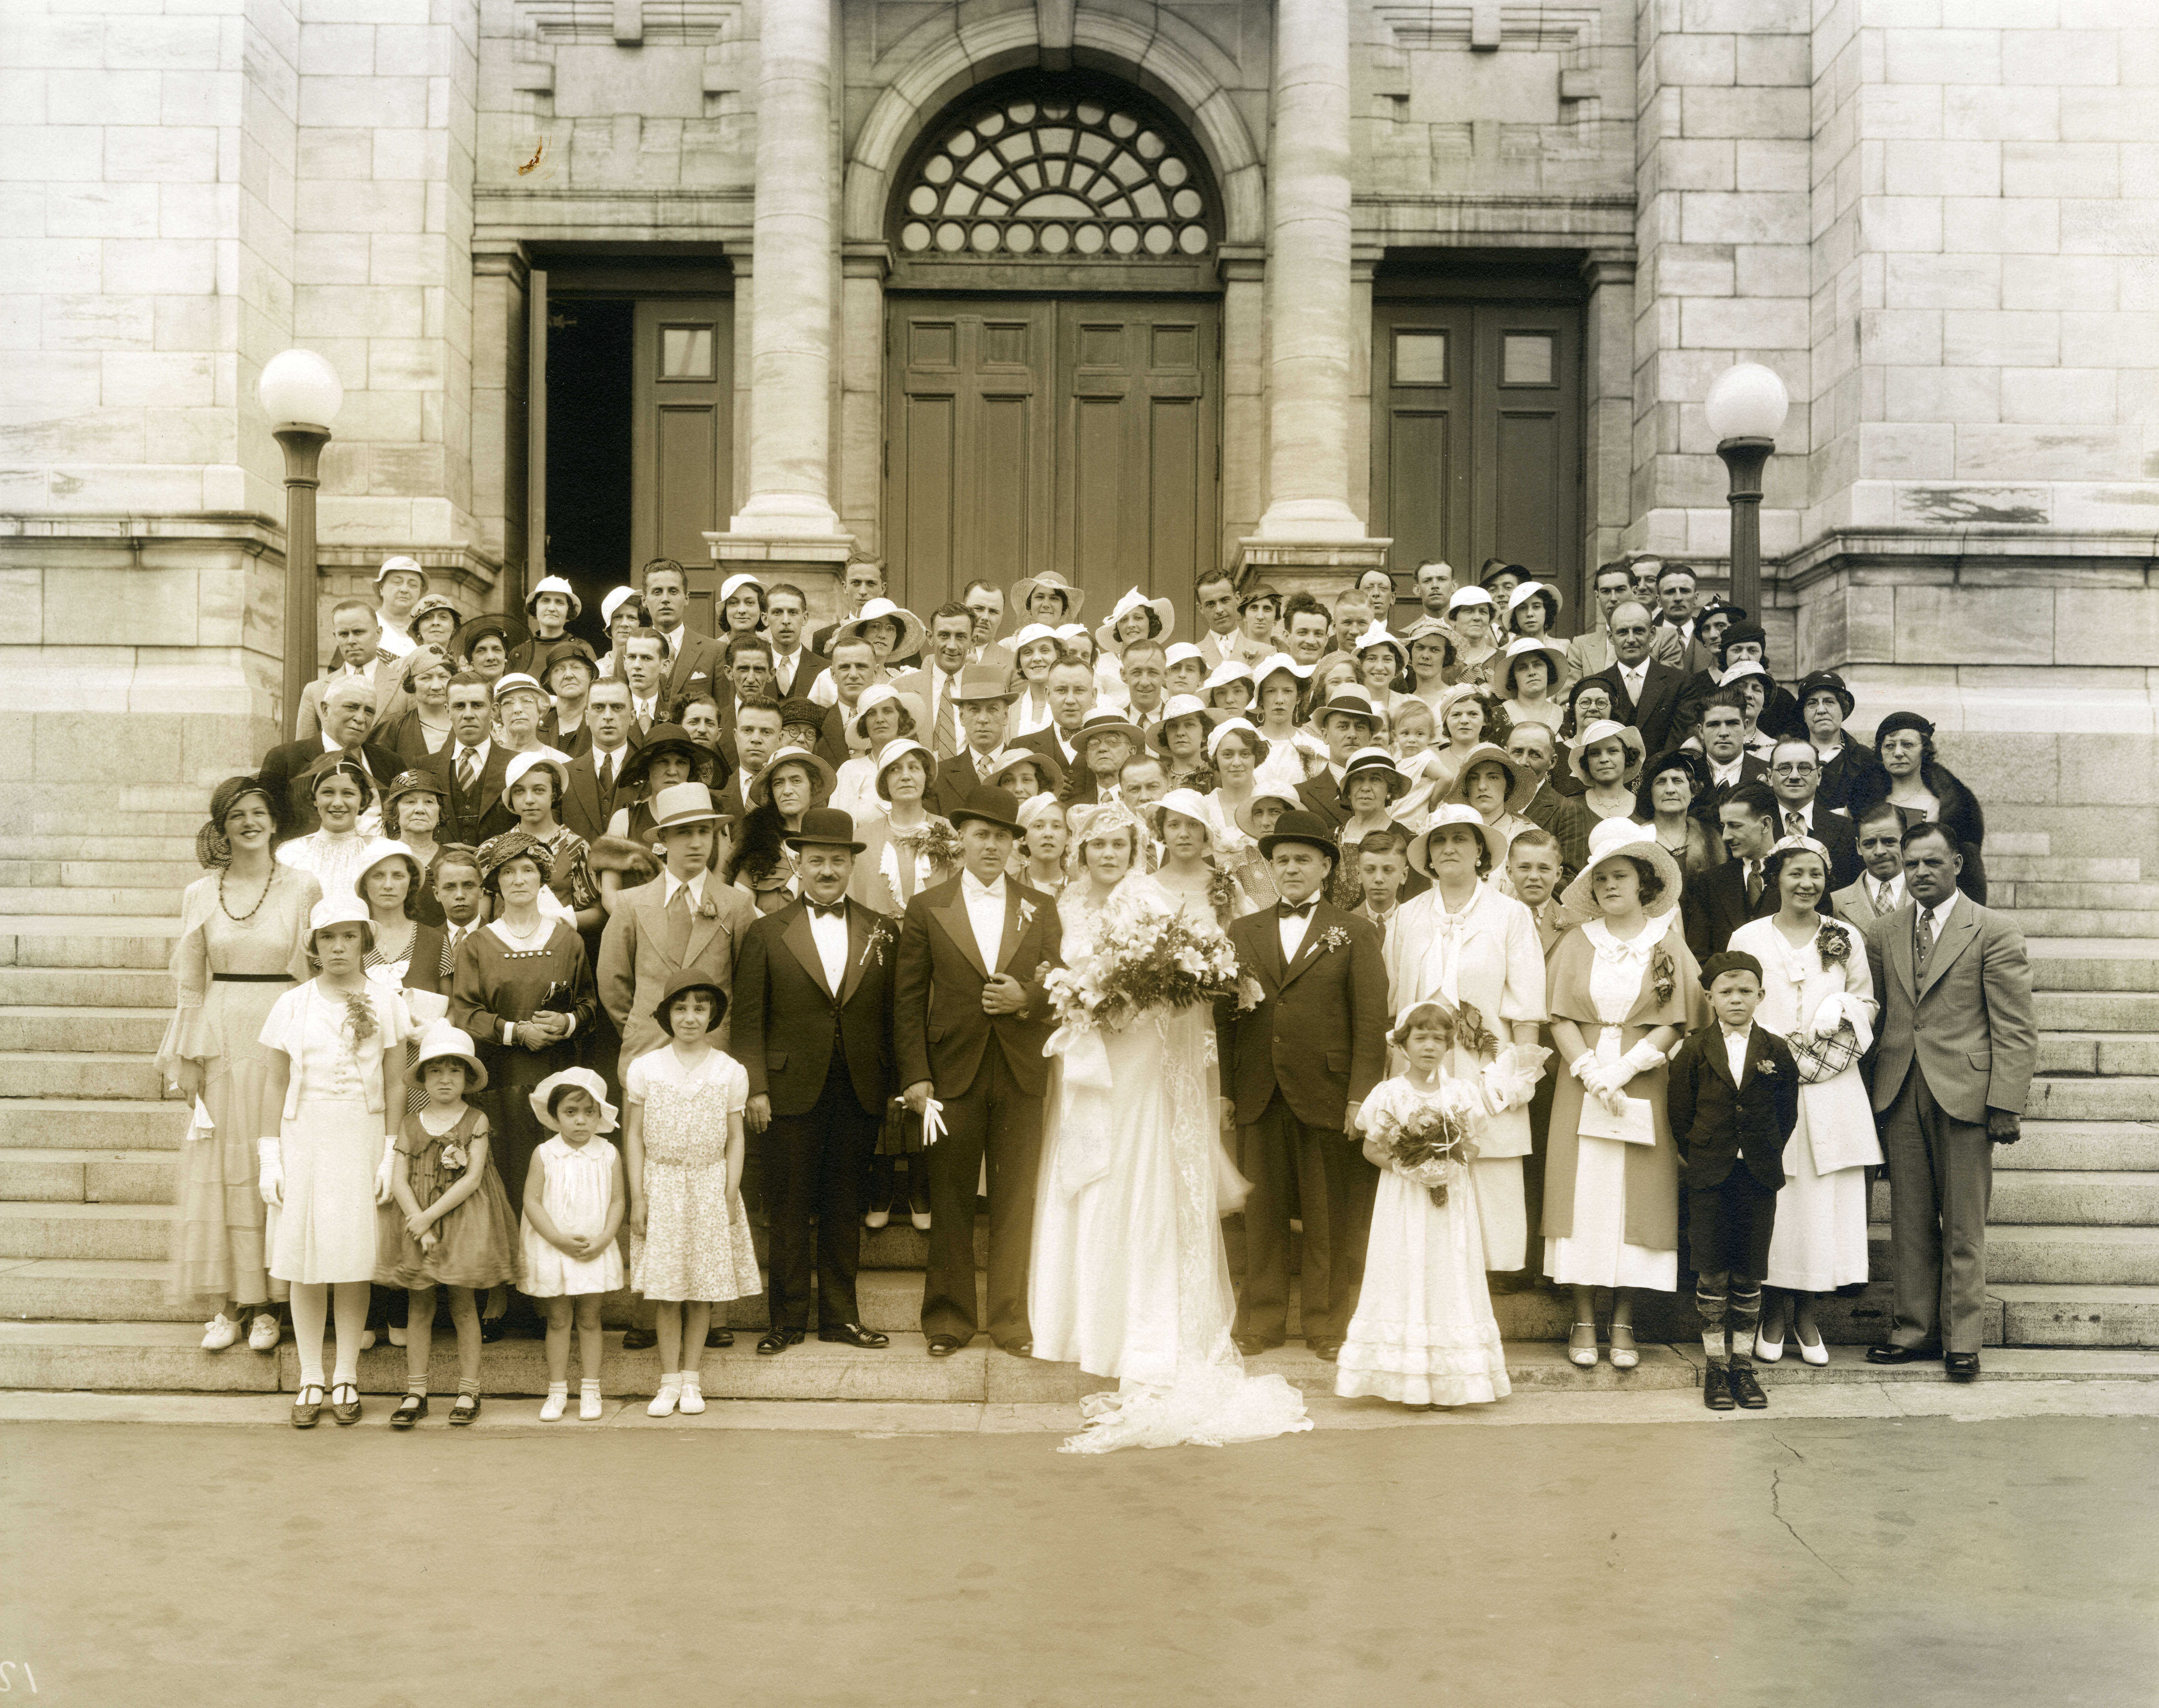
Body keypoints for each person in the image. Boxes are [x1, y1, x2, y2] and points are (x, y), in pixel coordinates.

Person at [1026, 802, 1311, 1452]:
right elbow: (1054, 978)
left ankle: (1144, 1330)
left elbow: (1182, 986)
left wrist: (1131, 998)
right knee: (1086, 1182)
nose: (1108, 854)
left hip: (1142, 1063)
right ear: (1081, 850)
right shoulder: (1061, 905)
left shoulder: (1152, 901)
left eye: (1120, 844)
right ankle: (1083, 1326)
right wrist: (1077, 998)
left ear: (1136, 849)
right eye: (1097, 843)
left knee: (1137, 1180)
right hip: (1085, 1067)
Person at [894, 785, 1065, 1358]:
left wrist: (1028, 999)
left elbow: (1061, 982)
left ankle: (1012, 1320)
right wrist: (916, 1073)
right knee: (951, 1198)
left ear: (1016, 845)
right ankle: (948, 1318)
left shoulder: (1040, 906)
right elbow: (908, 996)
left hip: (1020, 1071)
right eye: (982, 834)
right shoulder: (927, 906)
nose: (991, 845)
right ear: (961, 840)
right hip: (949, 1075)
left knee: (1016, 1200)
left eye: (1002, 836)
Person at [1862, 823, 2036, 1381]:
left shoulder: (1992, 929)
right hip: (1900, 1086)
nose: (1920, 873)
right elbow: (1885, 1013)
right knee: (1909, 1221)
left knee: (1963, 1224)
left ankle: (1962, 1340)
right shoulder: (1886, 929)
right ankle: (1913, 1329)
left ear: (1958, 864)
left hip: (1966, 1093)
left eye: (1932, 863)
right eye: (1911, 864)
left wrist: (2004, 1101)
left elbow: (2015, 1026)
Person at [1217, 811, 1388, 1359]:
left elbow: (1369, 1021)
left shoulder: (1355, 931)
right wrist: (1226, 1089)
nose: (1291, 869)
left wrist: (1360, 1095)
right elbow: (1225, 1018)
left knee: (1327, 1217)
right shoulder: (1244, 930)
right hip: (1259, 1090)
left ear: (1327, 866)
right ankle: (1261, 1322)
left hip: (1327, 1090)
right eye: (1282, 860)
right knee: (1262, 1215)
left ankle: (1326, 1324)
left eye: (1303, 860)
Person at [161, 777, 320, 1353]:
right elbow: (189, 984)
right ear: (222, 828)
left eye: (258, 813)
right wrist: (188, 1058)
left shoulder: (304, 886)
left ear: (275, 822)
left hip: (282, 1027)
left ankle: (272, 1304)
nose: (249, 822)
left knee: (272, 1161)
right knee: (224, 1166)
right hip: (222, 1032)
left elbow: (315, 967)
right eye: (236, 816)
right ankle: (230, 1301)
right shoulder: (201, 893)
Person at [733, 812, 899, 1355]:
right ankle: (786, 1320)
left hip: (857, 1085)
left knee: (843, 1204)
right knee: (788, 1207)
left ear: (853, 865)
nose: (827, 870)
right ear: (797, 865)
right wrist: (755, 1087)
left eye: (837, 861)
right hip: (787, 1091)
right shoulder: (766, 930)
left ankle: (840, 1317)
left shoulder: (882, 929)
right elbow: (749, 1017)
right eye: (816, 861)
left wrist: (891, 1084)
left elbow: (891, 1013)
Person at [1542, 819, 1704, 1371]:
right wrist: (1591, 1070)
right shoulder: (1575, 941)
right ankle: (1584, 1316)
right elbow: (1560, 1015)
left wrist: (1628, 1066)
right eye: (1602, 878)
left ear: (1644, 884)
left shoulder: (1666, 942)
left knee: (1639, 1195)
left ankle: (1624, 1319)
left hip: (1644, 1079)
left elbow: (1679, 1018)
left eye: (1622, 876)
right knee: (1584, 1195)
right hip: (1581, 1080)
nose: (1611, 885)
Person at [257, 896, 416, 1428]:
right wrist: (269, 1156)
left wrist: (390, 1150)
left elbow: (397, 1079)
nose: (340, 946)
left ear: (364, 942)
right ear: (315, 945)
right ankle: (309, 1374)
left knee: (350, 1258)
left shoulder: (386, 1000)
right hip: (304, 1135)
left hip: (362, 1134)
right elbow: (275, 1081)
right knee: (305, 1260)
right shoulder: (294, 1003)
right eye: (329, 937)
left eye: (350, 936)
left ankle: (346, 1372)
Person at [1728, 839, 1882, 1363]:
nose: (1806, 884)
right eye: (1795, 873)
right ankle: (1771, 1312)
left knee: (1821, 1204)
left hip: (1831, 1083)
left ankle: (1808, 1315)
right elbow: (1733, 996)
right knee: (1778, 1199)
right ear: (1776, 876)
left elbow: (1867, 999)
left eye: (1816, 874)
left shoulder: (1844, 937)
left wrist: (1839, 1006)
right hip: (1770, 1081)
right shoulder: (1749, 936)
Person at [1387, 805, 1548, 1278]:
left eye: (1461, 839)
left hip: (1487, 1066)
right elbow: (1394, 999)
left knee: (1488, 1168)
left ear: (1480, 850)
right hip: (1420, 1068)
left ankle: (1483, 1285)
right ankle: (1428, 1279)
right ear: (1429, 857)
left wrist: (1517, 1076)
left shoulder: (1510, 915)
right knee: (1422, 1164)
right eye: (1439, 841)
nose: (1449, 848)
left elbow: (1525, 1004)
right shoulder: (1407, 916)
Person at [1334, 1001, 1513, 1411]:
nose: (1429, 1047)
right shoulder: (1389, 1093)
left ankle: (1453, 1382)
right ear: (1402, 1044)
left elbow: (1472, 1145)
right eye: (1420, 1038)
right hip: (1404, 1201)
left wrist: (1447, 1164)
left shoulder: (1461, 1094)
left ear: (1449, 1045)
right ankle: (1408, 1380)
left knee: (1446, 1272)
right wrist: (1408, 1165)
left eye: (1438, 1039)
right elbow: (1370, 1148)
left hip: (1450, 1201)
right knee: (1407, 1268)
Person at [623, 974, 761, 1417]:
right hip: (661, 1184)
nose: (690, 1017)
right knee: (666, 1290)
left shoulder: (729, 1071)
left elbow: (736, 1138)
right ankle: (666, 1382)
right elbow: (634, 1136)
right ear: (667, 1015)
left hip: (708, 1184)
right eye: (680, 1008)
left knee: (701, 1288)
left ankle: (691, 1379)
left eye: (700, 1009)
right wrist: (638, 1197)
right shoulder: (646, 1068)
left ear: (712, 1017)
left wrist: (728, 1192)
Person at [1666, 950, 1798, 1411]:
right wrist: (1703, 1155)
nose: (1736, 999)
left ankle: (1743, 1367)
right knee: (1712, 1270)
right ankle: (1715, 1368)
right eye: (1726, 992)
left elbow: (1786, 1114)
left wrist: (1760, 1153)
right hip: (1709, 1176)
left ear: (1761, 995)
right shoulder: (1694, 1049)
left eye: (1746, 991)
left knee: (1748, 1271)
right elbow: (1678, 1115)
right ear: (1709, 997)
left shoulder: (1775, 1050)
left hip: (1756, 1175)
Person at [450, 831, 598, 1233]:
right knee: (510, 1180)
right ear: (495, 883)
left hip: (557, 1082)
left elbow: (589, 1006)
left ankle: (557, 1277)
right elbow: (463, 1013)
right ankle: (512, 1289)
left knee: (558, 1180)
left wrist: (566, 1023)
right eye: (508, 872)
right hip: (499, 1086)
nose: (519, 880)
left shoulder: (568, 940)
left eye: (528, 871)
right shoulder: (478, 945)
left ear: (541, 879)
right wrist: (517, 1032)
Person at [377, 1021, 519, 1427]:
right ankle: (416, 1391)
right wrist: (416, 1222)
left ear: (468, 1078)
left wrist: (428, 1218)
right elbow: (400, 1178)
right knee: (419, 1305)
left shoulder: (475, 1120)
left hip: (461, 1222)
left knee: (461, 1305)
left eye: (454, 1071)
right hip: (418, 1223)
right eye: (435, 1071)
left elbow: (473, 1179)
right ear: (422, 1077)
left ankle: (468, 1389)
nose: (444, 1079)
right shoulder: (409, 1123)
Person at [597, 781, 755, 1075]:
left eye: (704, 831)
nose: (696, 843)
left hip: (715, 1058)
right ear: (664, 838)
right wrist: (640, 1026)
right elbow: (612, 983)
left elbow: (747, 988)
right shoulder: (631, 904)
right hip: (646, 1054)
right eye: (685, 832)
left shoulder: (736, 905)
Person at [520, 1068, 625, 1421]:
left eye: (589, 1112)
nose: (581, 1121)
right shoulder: (545, 1153)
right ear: (555, 1116)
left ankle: (591, 1390)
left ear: (600, 1114)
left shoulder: (608, 1153)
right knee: (558, 1319)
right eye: (571, 1112)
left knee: (591, 1319)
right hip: (556, 1247)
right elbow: (532, 1202)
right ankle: (557, 1390)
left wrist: (605, 1238)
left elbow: (617, 1202)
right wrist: (556, 1239)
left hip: (593, 1246)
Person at [1848, 711, 1990, 903]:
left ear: (1924, 750)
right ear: (1880, 753)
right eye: (1889, 746)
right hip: (1876, 899)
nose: (1898, 753)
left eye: (1907, 745)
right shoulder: (1863, 802)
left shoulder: (1946, 805)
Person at [258, 677, 404, 837]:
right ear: (325, 710)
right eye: (352, 707)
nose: (361, 718)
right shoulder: (284, 760)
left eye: (369, 711)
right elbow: (268, 829)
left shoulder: (391, 763)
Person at [1684, 781, 1786, 961]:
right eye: (1724, 826)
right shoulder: (1712, 881)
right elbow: (1698, 956)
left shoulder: (1800, 877)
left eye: (1735, 826)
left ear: (1765, 825)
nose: (1725, 836)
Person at [426, 672, 516, 849]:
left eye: (477, 705)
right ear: (448, 711)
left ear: (494, 710)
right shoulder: (425, 767)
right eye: (459, 706)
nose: (468, 714)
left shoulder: (518, 764)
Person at [1589, 601, 1689, 755]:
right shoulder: (1596, 686)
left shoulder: (1681, 683)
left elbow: (1679, 743)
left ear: (1653, 634)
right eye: (1622, 632)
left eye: (1639, 631)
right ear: (1611, 637)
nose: (1631, 640)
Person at [275, 757, 379, 902]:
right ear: (315, 800)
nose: (337, 803)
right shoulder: (292, 854)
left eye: (348, 793)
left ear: (363, 800)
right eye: (328, 793)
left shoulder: (381, 851)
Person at [1553, 718, 1645, 878]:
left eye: (1613, 751)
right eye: (1595, 753)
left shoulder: (1644, 809)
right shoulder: (1570, 807)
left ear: (1627, 757)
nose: (1604, 759)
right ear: (1586, 762)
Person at [1763, 738, 1861, 888]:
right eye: (1784, 768)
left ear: (1819, 776)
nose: (1795, 776)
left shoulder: (1847, 830)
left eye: (1804, 768)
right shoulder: (1756, 827)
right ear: (1770, 777)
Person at [928, 663, 1020, 816]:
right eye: (974, 710)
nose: (983, 719)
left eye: (992, 709)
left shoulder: (1024, 768)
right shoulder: (939, 777)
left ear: (1005, 716)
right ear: (962, 717)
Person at [295, 600, 389, 742]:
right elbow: (304, 754)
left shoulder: (403, 687)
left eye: (359, 632)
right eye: (344, 634)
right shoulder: (315, 691)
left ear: (378, 634)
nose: (351, 641)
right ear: (336, 637)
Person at [562, 679, 638, 848]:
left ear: (633, 717)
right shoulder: (565, 775)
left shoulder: (648, 773)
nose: (608, 716)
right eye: (599, 707)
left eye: (617, 708)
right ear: (587, 717)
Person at [641, 559, 727, 707]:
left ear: (686, 598)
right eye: (657, 592)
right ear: (644, 600)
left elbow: (723, 712)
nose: (666, 599)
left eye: (673, 591)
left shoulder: (715, 652)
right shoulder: (628, 652)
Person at [1635, 748, 1725, 883]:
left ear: (1694, 790)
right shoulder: (1635, 838)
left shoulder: (1712, 840)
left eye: (1678, 781)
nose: (1670, 790)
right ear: (1650, 793)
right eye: (1661, 782)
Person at [1795, 669, 1878, 813]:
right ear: (1803, 714)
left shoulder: (1865, 758)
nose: (1821, 710)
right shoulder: (1789, 756)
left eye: (1829, 702)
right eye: (1812, 703)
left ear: (1843, 709)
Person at [1692, 690, 1771, 823]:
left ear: (1745, 727)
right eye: (1714, 725)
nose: (1724, 733)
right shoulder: (1687, 774)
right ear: (1701, 731)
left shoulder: (1768, 773)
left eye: (1732, 723)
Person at [375, 645, 457, 767]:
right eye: (426, 678)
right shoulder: (392, 731)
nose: (436, 686)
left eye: (443, 677)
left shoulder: (468, 723)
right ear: (412, 684)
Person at [1832, 801, 1909, 927]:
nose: (1880, 851)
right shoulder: (1835, 903)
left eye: (1889, 842)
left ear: (1906, 840)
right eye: (1869, 843)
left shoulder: (1931, 895)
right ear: (1858, 846)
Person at [507, 575, 581, 679]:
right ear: (535, 607)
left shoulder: (582, 648)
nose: (551, 608)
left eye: (560, 602)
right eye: (545, 601)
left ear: (568, 610)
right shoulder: (520, 652)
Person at [536, 640, 599, 759]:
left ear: (590, 675)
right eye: (559, 669)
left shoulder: (602, 720)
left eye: (576, 667)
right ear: (549, 681)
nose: (569, 675)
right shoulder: (538, 727)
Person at [1006, 623, 1062, 736]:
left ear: (1059, 656)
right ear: (1020, 662)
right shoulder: (1009, 709)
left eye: (1045, 650)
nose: (1037, 658)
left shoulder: (1072, 703)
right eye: (1028, 652)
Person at [1441, 587, 1502, 686]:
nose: (1477, 618)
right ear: (1453, 619)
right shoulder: (1441, 660)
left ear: (1489, 621)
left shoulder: (1504, 659)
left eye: (1483, 612)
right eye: (1469, 611)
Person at [373, 556, 429, 662]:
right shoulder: (367, 624)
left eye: (413, 585)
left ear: (420, 593)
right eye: (397, 582)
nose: (404, 590)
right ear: (381, 589)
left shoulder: (424, 628)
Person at [1015, 793, 1068, 892]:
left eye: (1056, 826)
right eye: (1039, 826)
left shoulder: (1081, 890)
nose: (1048, 834)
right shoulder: (1007, 886)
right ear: (1025, 838)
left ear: (1068, 837)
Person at [596, 586, 651, 680]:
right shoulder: (596, 671)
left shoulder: (652, 667)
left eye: (632, 617)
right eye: (618, 617)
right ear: (609, 625)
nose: (624, 624)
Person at [1011, 568, 1087, 628]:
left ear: (1063, 607)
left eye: (1054, 598)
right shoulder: (1009, 645)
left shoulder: (1073, 645)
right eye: (1040, 597)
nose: (1046, 605)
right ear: (1030, 604)